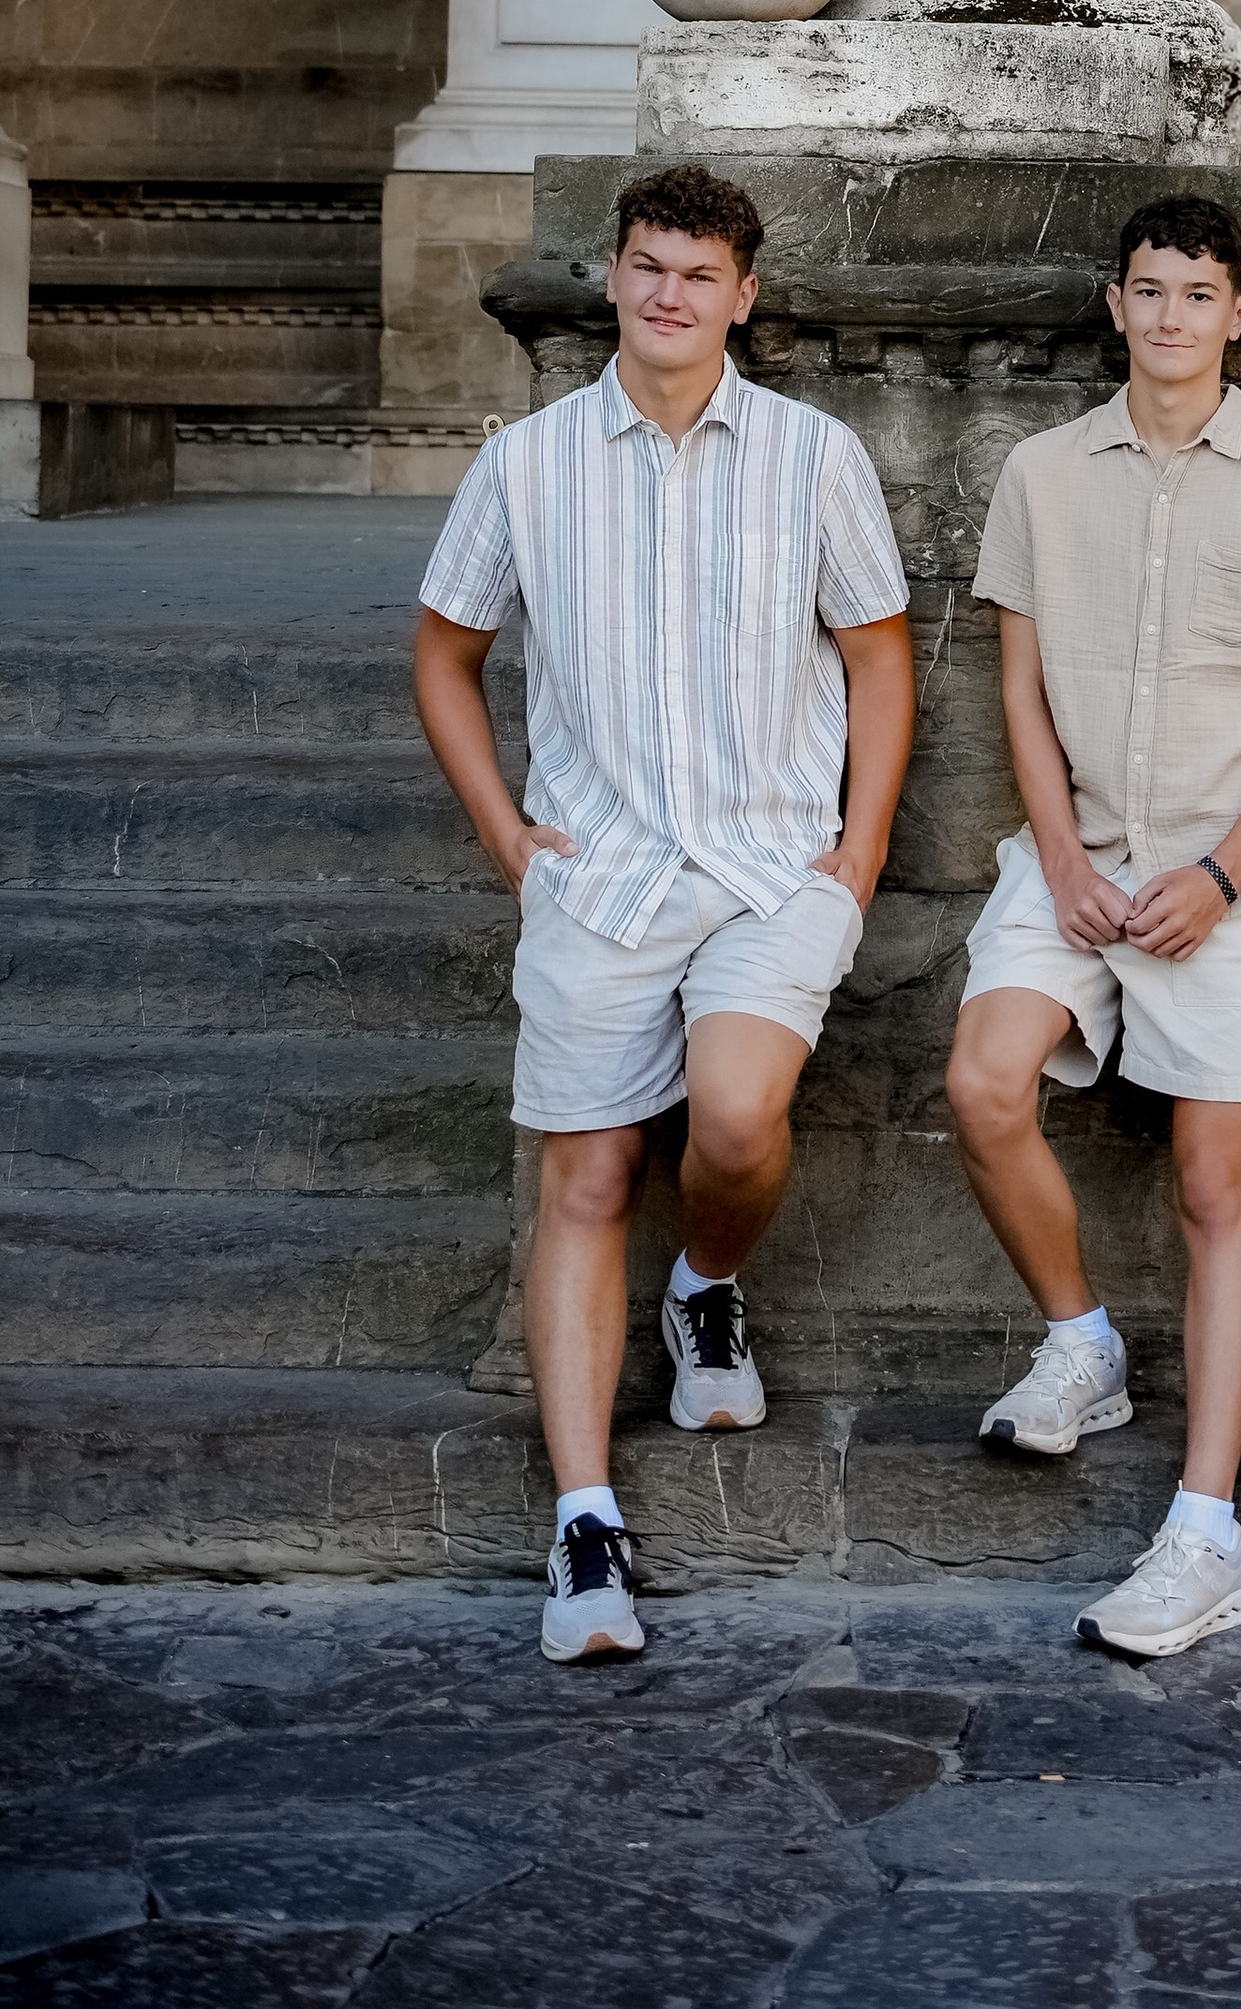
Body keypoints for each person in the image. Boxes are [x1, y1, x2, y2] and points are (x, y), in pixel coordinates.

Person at [413, 162, 913, 1663]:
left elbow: (880, 661)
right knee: (581, 1183)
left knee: (740, 1123)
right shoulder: (527, 461)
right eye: (646, 266)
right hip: (602, 876)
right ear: (612, 277)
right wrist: (508, 832)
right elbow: (444, 657)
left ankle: (706, 1286)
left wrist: (863, 850)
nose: (668, 294)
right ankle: (583, 1527)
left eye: (698, 273)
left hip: (772, 867)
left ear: (743, 295)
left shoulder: (815, 458)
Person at [947, 197, 1241, 1660]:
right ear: (1114, 302)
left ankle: (1205, 1532)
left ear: (1238, 313)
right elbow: (1017, 688)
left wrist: (1224, 872)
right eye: (1151, 291)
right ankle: (1082, 1340)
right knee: (984, 1080)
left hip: (1231, 879)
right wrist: (1062, 860)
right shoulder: (1041, 473)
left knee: (1215, 1187)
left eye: (1202, 294)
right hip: (1076, 856)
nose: (1175, 316)